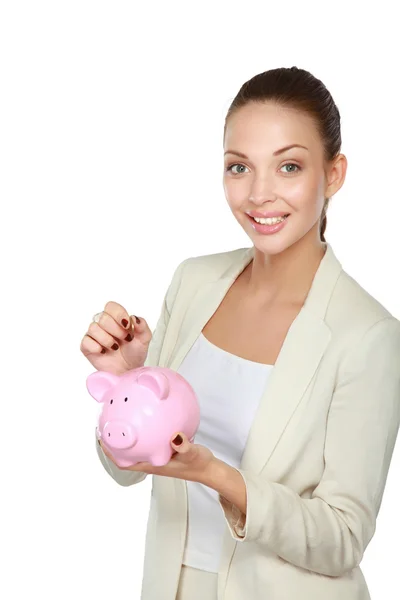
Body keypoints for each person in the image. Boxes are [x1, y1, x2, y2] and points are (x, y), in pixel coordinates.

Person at [80, 66, 400, 600]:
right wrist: (127, 385)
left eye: (289, 166)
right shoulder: (194, 282)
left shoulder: (367, 335)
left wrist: (217, 475)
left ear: (335, 174)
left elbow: (343, 538)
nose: (259, 195)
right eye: (239, 167)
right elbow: (128, 471)